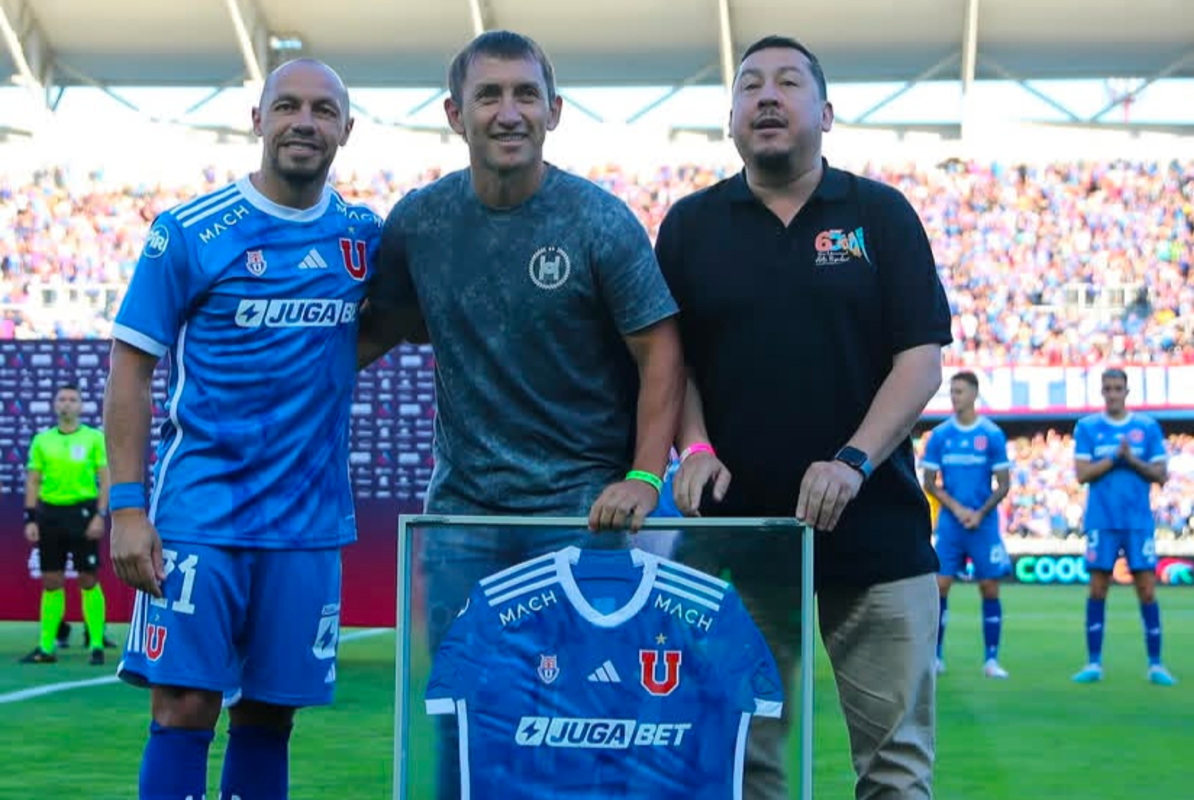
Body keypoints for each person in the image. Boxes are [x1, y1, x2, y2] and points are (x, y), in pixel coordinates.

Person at [358, 30, 685, 800]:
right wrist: (268, 380)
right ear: (454, 113)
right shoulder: (421, 223)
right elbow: (376, 330)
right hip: (464, 519)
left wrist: (643, 475)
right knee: (462, 719)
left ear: (555, 111)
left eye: (525, 95)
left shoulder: (598, 221)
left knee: (590, 721)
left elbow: (660, 351)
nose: (509, 113)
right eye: (490, 95)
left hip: (585, 514)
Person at [656, 35, 952, 800]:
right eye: (749, 84)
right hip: (737, 537)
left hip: (878, 535)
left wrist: (852, 460)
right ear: (729, 120)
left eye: (788, 83)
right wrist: (691, 448)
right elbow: (672, 365)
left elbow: (919, 362)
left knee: (895, 770)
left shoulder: (879, 214)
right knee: (743, 765)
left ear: (825, 112)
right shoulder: (690, 226)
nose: (766, 95)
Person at [103, 58, 382, 800]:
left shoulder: (363, 238)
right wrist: (128, 506)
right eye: (286, 106)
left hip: (308, 522)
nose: (304, 122)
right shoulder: (190, 233)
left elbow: (401, 323)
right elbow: (129, 368)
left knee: (269, 715)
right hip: (203, 516)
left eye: (324, 111)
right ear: (257, 120)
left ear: (346, 131)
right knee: (183, 704)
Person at [1070, 368, 1176, 686]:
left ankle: (1156, 664)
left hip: (1137, 521)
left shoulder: (1147, 427)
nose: (1113, 393)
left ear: (1127, 392)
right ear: (1101, 392)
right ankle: (1093, 663)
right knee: (1098, 588)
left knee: (1146, 589)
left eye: (1118, 388)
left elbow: (1160, 474)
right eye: (1108, 388)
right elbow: (1082, 474)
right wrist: (1116, 458)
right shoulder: (1088, 427)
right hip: (1101, 520)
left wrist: (1132, 460)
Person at [920, 370, 1012, 678]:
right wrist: (958, 508)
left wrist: (978, 512)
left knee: (989, 587)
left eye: (959, 391)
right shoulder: (941, 436)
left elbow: (1003, 483)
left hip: (983, 524)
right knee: (940, 586)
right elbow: (930, 482)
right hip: (951, 523)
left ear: (974, 394)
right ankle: (935, 656)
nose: (955, 397)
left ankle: (991, 659)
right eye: (953, 391)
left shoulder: (992, 435)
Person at [20, 383, 110, 666]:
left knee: (87, 578)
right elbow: (33, 480)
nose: (67, 404)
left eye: (73, 399)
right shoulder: (42, 440)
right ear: (55, 405)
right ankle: (46, 647)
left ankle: (96, 644)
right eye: (62, 399)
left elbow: (105, 478)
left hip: (83, 513)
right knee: (51, 581)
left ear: (81, 405)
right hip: (50, 515)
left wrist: (100, 514)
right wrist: (31, 518)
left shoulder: (94, 438)